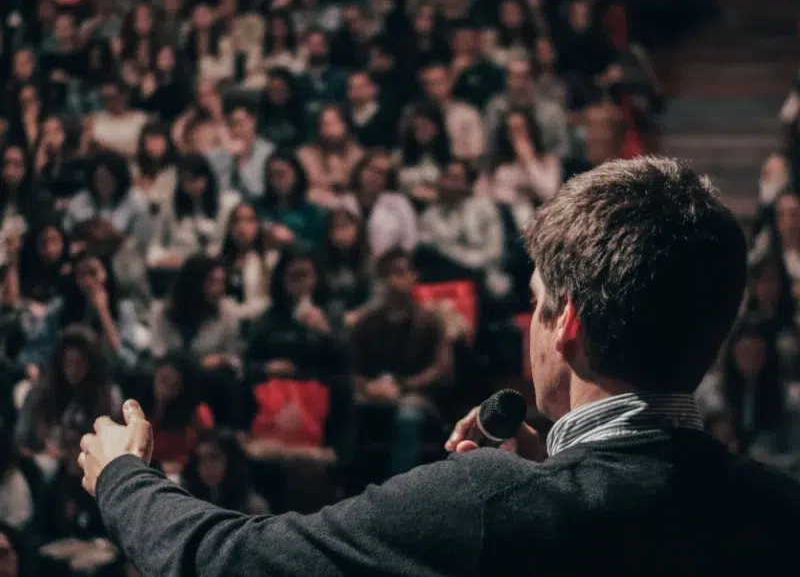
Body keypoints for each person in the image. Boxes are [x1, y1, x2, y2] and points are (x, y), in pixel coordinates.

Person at [77, 157, 800, 576]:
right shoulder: (777, 511)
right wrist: (551, 469)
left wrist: (122, 476)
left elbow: (228, 561)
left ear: (566, 321)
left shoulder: (487, 501)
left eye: (536, 303)